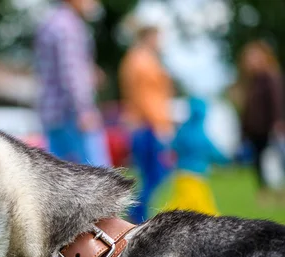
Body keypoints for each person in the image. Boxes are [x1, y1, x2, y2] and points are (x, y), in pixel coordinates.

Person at [35, 0, 111, 167]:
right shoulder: (69, 26)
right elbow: (71, 73)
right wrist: (84, 109)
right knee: (100, 179)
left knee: (58, 177)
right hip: (72, 114)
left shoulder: (50, 23)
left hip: (52, 114)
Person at [119, 24, 174, 223]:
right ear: (148, 37)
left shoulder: (139, 59)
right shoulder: (141, 61)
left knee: (152, 173)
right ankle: (137, 215)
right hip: (147, 125)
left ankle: (138, 214)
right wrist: (160, 125)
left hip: (145, 123)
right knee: (156, 173)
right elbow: (146, 98)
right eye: (157, 38)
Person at [238, 40, 285, 203]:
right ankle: (264, 193)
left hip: (268, 128)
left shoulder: (270, 77)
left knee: (275, 160)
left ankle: (280, 192)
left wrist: (277, 122)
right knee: (258, 162)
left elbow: (276, 101)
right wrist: (243, 130)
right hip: (254, 130)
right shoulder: (251, 81)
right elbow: (247, 108)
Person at [166, 97, 229, 215]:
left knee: (180, 204)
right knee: (202, 206)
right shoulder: (202, 136)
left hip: (181, 175)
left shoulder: (183, 130)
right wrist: (226, 159)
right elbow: (215, 153)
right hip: (197, 176)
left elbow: (174, 146)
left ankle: (163, 224)